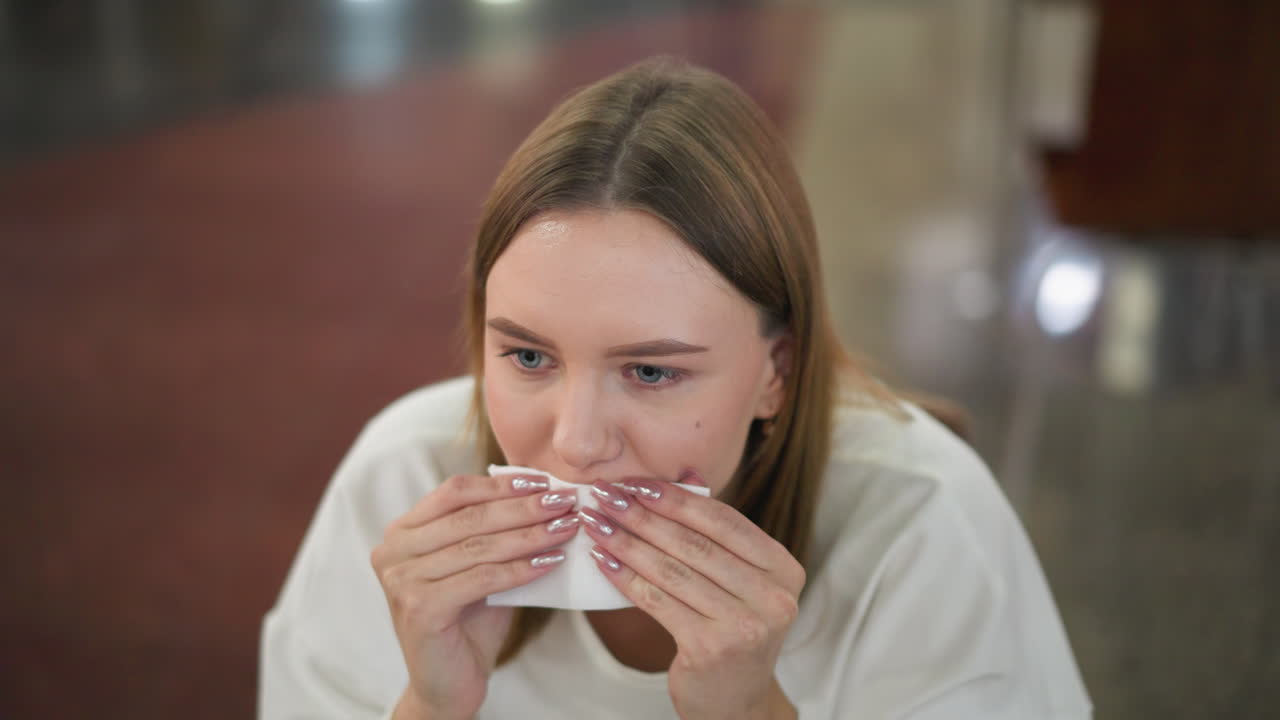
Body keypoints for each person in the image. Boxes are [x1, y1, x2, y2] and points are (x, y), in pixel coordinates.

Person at [259, 57, 1092, 719]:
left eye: (651, 371)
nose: (578, 440)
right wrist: (434, 707)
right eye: (528, 357)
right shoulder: (399, 482)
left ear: (778, 372)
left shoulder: (921, 531)